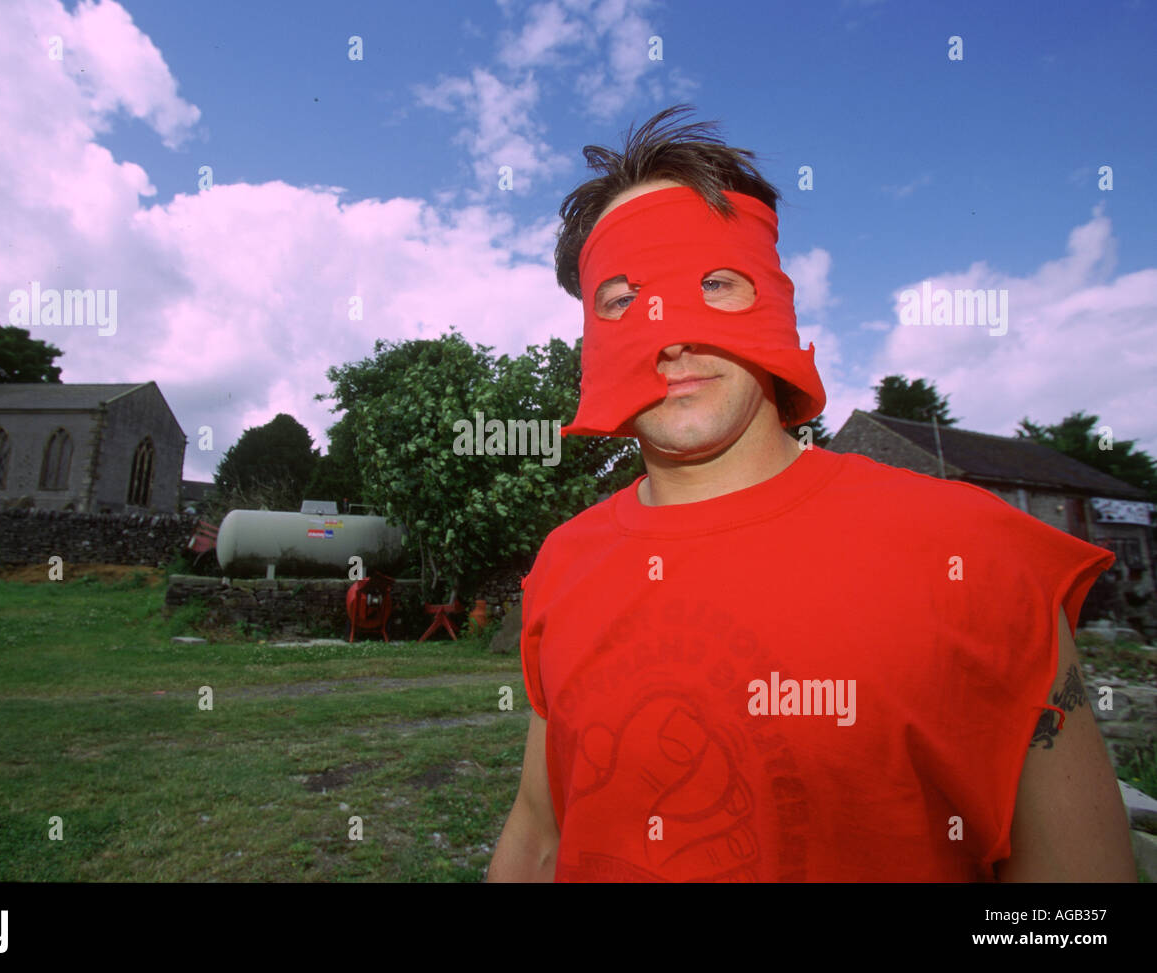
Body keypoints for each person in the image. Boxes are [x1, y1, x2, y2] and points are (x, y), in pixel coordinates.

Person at [486, 105, 1137, 883]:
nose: (669, 329)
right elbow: (539, 828)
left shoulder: (973, 550)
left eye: (714, 283)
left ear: (774, 299)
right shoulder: (564, 562)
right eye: (622, 299)